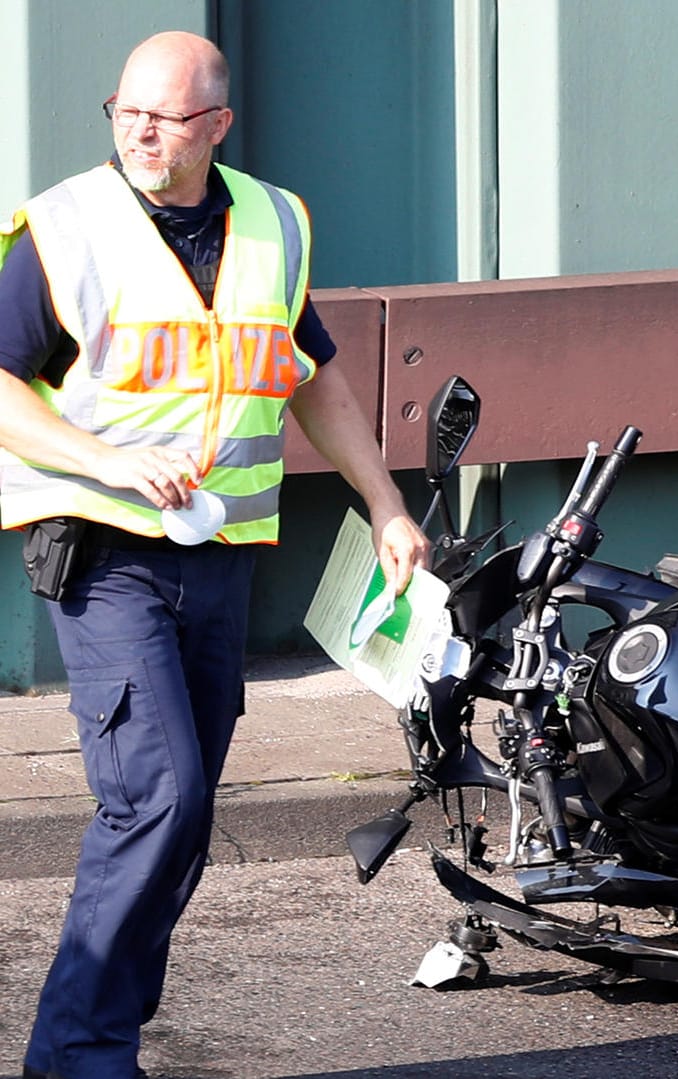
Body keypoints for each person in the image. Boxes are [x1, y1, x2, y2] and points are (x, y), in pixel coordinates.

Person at [0, 31, 429, 1079]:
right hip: (103, 550)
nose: (144, 132)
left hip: (221, 555)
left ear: (219, 124)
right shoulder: (63, 230)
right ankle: (77, 1055)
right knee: (159, 795)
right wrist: (106, 459)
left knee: (181, 820)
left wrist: (383, 503)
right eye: (128, 111)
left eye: (169, 117)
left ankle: (104, 1019)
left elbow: (308, 375)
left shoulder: (273, 221)